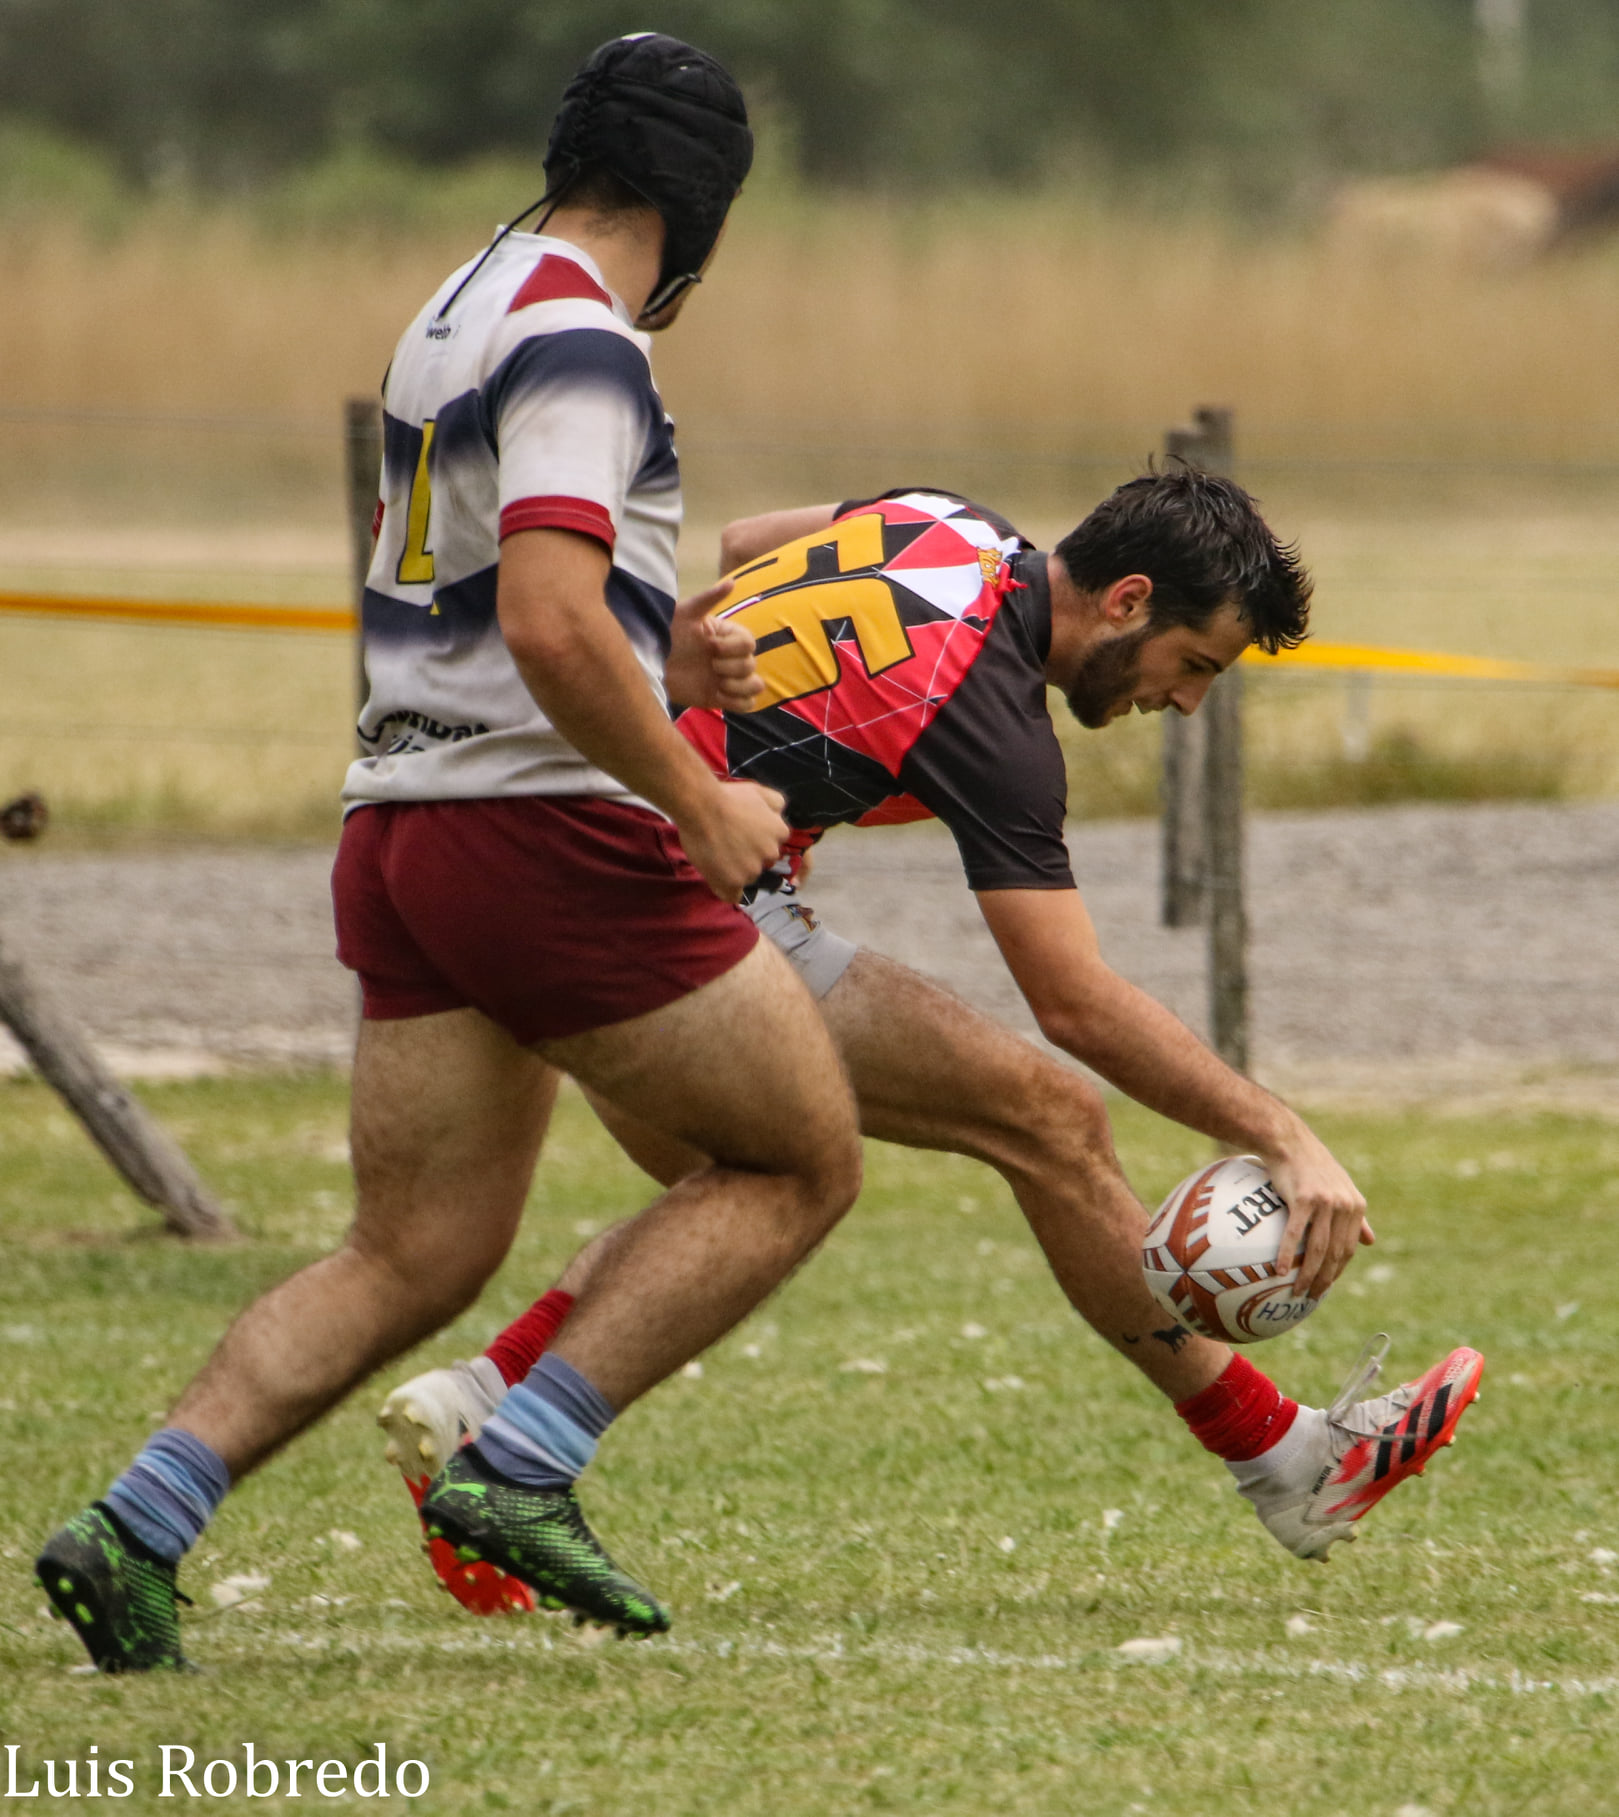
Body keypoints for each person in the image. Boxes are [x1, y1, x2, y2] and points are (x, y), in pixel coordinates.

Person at [35, 34, 869, 1673]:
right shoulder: (582, 337)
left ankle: (136, 1519)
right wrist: (695, 796)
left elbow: (510, 596)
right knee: (798, 1154)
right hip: (544, 826)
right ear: (699, 205)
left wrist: (658, 658)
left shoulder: (459, 301)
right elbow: (550, 617)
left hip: (401, 821)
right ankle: (525, 1458)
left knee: (412, 1251)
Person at [377, 473, 1483, 1616]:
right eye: (1193, 664)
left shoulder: (950, 522)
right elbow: (1075, 1001)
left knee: (734, 1186)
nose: (1187, 703)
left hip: (543, 838)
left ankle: (486, 1404)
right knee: (1044, 1115)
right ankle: (1288, 1460)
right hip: (665, 895)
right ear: (1126, 599)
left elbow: (750, 544)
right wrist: (1280, 1130)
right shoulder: (992, 712)